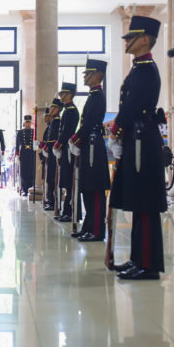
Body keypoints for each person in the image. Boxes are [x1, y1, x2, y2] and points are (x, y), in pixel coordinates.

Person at [108, 15, 167, 280]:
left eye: (132, 37)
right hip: (137, 138)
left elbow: (132, 107)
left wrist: (117, 128)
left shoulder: (146, 69)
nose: (127, 41)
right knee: (138, 202)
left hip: (142, 140)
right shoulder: (139, 68)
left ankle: (148, 264)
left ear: (145, 39)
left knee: (144, 203)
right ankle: (137, 259)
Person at [69, 58, 109, 242]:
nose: (84, 77)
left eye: (88, 73)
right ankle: (88, 226)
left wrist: (76, 138)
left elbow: (90, 123)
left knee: (95, 190)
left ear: (97, 75)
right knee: (87, 188)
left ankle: (97, 230)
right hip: (88, 145)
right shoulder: (92, 96)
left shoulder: (98, 97)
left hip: (93, 146)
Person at [54, 83, 79, 222]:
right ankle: (65, 210)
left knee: (69, 181)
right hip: (65, 148)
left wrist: (59, 142)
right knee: (66, 180)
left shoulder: (71, 111)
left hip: (68, 148)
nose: (61, 96)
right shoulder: (67, 110)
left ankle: (69, 212)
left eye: (62, 94)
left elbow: (67, 132)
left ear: (69, 94)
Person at [40, 100, 62, 211]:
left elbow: (53, 138)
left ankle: (53, 202)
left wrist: (46, 146)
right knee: (49, 178)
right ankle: (50, 200)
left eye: (53, 107)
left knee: (52, 178)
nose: (51, 109)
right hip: (50, 153)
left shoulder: (57, 121)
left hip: (53, 154)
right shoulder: (53, 122)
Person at [15, 114, 36, 197]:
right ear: (24, 122)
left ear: (31, 123)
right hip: (23, 152)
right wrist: (17, 154)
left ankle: (30, 188)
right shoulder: (20, 132)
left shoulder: (34, 132)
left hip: (31, 152)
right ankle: (25, 189)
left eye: (29, 122)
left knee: (31, 171)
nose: (28, 123)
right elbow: (17, 144)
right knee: (23, 172)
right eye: (26, 122)